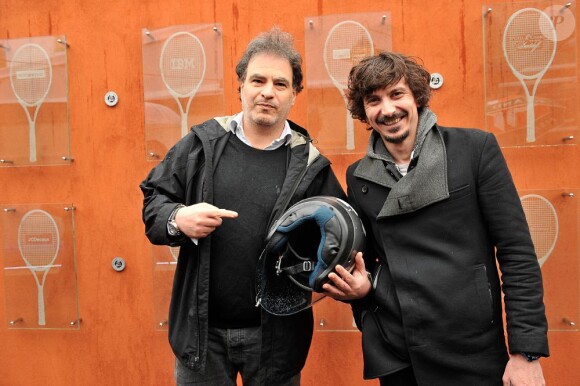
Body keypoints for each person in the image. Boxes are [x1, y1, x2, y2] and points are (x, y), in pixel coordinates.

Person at [322, 51, 549, 386]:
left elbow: (517, 253)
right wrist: (364, 291)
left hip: (473, 350)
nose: (388, 110)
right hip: (400, 353)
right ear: (364, 112)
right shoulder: (359, 177)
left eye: (396, 94)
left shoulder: (474, 150)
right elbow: (369, 261)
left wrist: (525, 353)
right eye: (374, 100)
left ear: (416, 96)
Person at [140, 27, 345, 386]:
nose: (268, 92)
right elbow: (154, 200)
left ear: (295, 93)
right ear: (241, 86)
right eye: (258, 80)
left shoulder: (311, 165)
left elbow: (340, 236)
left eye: (280, 84)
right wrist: (177, 218)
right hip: (202, 338)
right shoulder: (200, 145)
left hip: (276, 341)